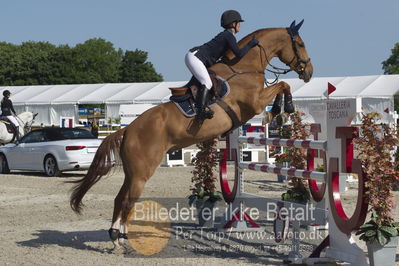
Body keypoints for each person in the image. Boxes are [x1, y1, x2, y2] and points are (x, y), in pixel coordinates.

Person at [185, 10, 259, 120]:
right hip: (196, 57)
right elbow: (239, 53)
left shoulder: (227, 36)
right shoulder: (229, 36)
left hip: (195, 57)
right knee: (207, 82)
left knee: (210, 78)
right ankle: (201, 110)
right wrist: (250, 44)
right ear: (233, 24)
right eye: (239, 22)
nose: (240, 25)